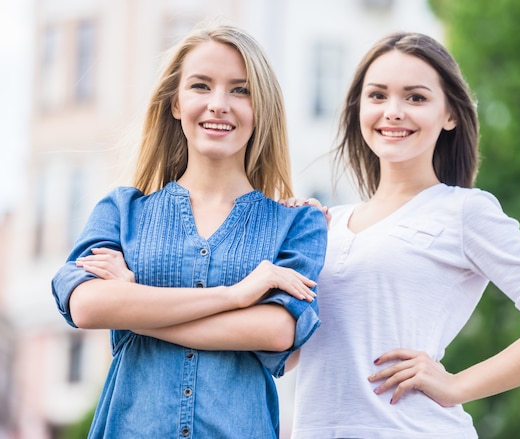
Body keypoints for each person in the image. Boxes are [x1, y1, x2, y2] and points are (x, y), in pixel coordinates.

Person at [285, 32, 520, 438]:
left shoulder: (465, 211)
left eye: (415, 97)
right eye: (377, 96)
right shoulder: (327, 224)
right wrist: (285, 252)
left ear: (449, 115)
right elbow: (287, 355)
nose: (393, 111)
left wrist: (456, 385)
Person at [51, 23, 327, 439]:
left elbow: (276, 331)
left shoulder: (297, 224)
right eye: (201, 86)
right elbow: (86, 306)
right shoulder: (123, 211)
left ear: (261, 107)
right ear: (176, 103)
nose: (219, 104)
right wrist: (236, 296)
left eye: (240, 90)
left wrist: (132, 304)